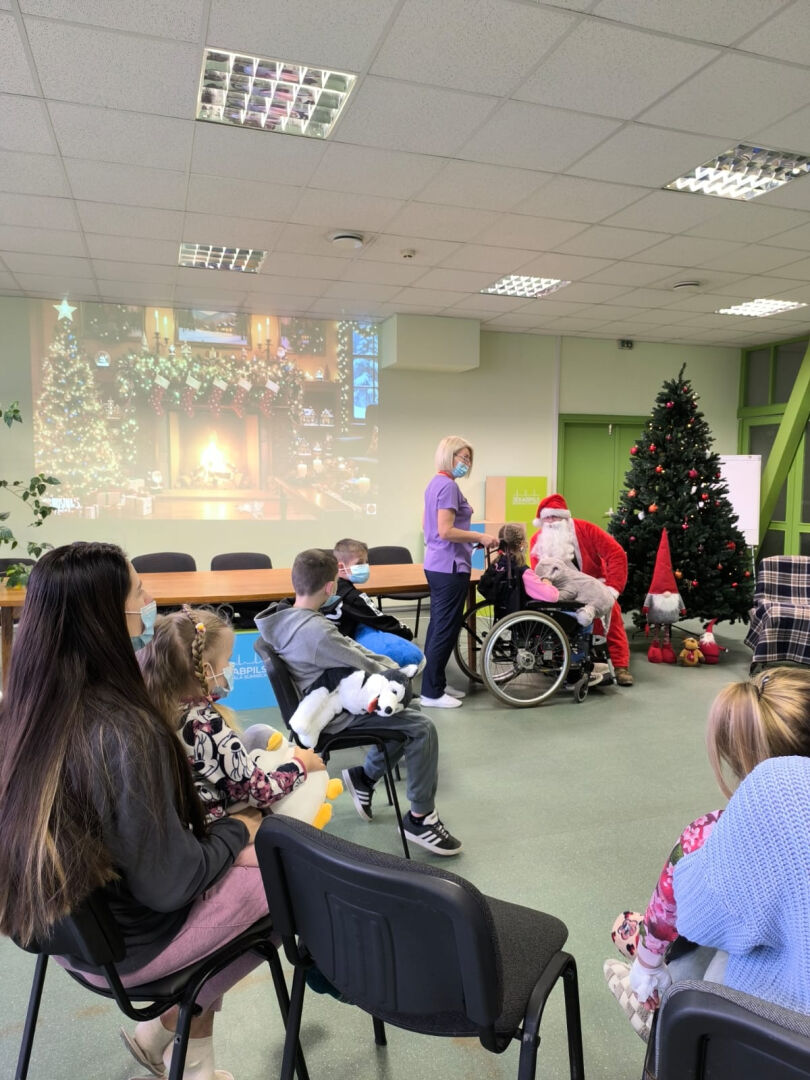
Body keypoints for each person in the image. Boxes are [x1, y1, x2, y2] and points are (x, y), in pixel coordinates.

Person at [0, 542, 270, 1080]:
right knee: (286, 878)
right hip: (130, 949)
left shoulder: (20, 711)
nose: (151, 601)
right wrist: (239, 828)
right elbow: (172, 885)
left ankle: (167, 1039)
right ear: (105, 616)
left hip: (58, 936)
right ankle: (183, 1048)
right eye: (139, 591)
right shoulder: (125, 730)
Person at [604, 668, 810, 1040]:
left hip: (775, 1034)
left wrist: (649, 960)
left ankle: (660, 1018)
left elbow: (692, 915)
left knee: (698, 950)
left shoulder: (726, 828)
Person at [255, 548, 462, 856]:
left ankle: (364, 778)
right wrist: (398, 673)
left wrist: (388, 669)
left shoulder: (286, 617)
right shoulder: (316, 632)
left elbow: (352, 651)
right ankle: (421, 818)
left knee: (410, 712)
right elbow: (361, 660)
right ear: (330, 587)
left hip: (325, 700)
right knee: (422, 727)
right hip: (335, 713)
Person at [138, 606, 324, 833]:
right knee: (308, 783)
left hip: (181, 823)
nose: (230, 667)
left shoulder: (154, 707)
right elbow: (260, 792)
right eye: (227, 660)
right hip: (213, 829)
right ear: (206, 670)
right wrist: (301, 764)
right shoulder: (205, 725)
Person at [421, 435, 498, 708]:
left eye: (469, 459)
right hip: (450, 567)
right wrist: (480, 537)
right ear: (449, 456)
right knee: (445, 629)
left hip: (436, 564)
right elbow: (446, 530)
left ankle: (435, 684)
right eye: (462, 457)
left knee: (438, 627)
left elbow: (432, 528)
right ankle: (431, 693)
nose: (466, 462)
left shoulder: (435, 483)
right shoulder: (448, 486)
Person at [529, 492, 633, 686]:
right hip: (560, 593)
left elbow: (616, 553)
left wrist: (612, 588)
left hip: (592, 587)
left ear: (565, 517)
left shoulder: (586, 529)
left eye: (555, 517)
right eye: (547, 518)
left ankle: (620, 665)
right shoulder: (538, 541)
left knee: (612, 611)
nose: (551, 522)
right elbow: (538, 572)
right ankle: (559, 662)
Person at [324, 537, 425, 673]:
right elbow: (380, 620)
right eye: (360, 563)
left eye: (366, 562)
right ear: (341, 567)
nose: (366, 567)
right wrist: (405, 632)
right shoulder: (354, 597)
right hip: (344, 654)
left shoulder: (326, 589)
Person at [477, 522, 560, 613]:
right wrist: (547, 583)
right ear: (521, 544)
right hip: (524, 618)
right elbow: (552, 597)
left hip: (502, 616)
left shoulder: (496, 565)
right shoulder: (523, 572)